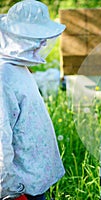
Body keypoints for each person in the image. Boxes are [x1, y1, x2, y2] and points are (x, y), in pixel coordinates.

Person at [0, 0, 66, 199]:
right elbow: (1, 140)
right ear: (18, 37)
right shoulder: (3, 75)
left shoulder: (17, 68)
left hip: (33, 182)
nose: (42, 44)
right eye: (36, 38)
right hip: (20, 190)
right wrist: (10, 190)